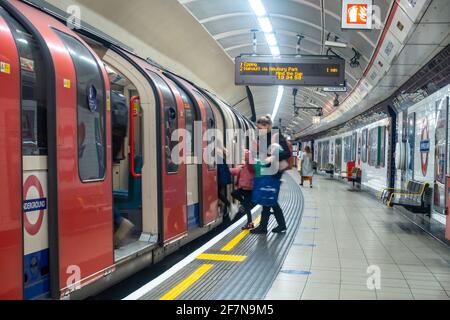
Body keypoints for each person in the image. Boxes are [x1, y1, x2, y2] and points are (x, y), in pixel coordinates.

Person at [251, 115, 291, 235]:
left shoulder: (276, 135)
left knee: (269, 199)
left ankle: (265, 227)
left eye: (261, 127)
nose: (259, 130)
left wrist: (273, 157)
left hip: (274, 171)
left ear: (268, 126)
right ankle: (277, 225)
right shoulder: (263, 137)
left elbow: (287, 153)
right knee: (269, 199)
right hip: (267, 170)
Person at [230, 149, 255, 229]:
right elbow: (232, 171)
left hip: (249, 189)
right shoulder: (242, 168)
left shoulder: (251, 167)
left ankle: (249, 223)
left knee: (247, 207)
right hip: (243, 188)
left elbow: (250, 163)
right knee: (234, 193)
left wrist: (247, 153)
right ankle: (243, 204)